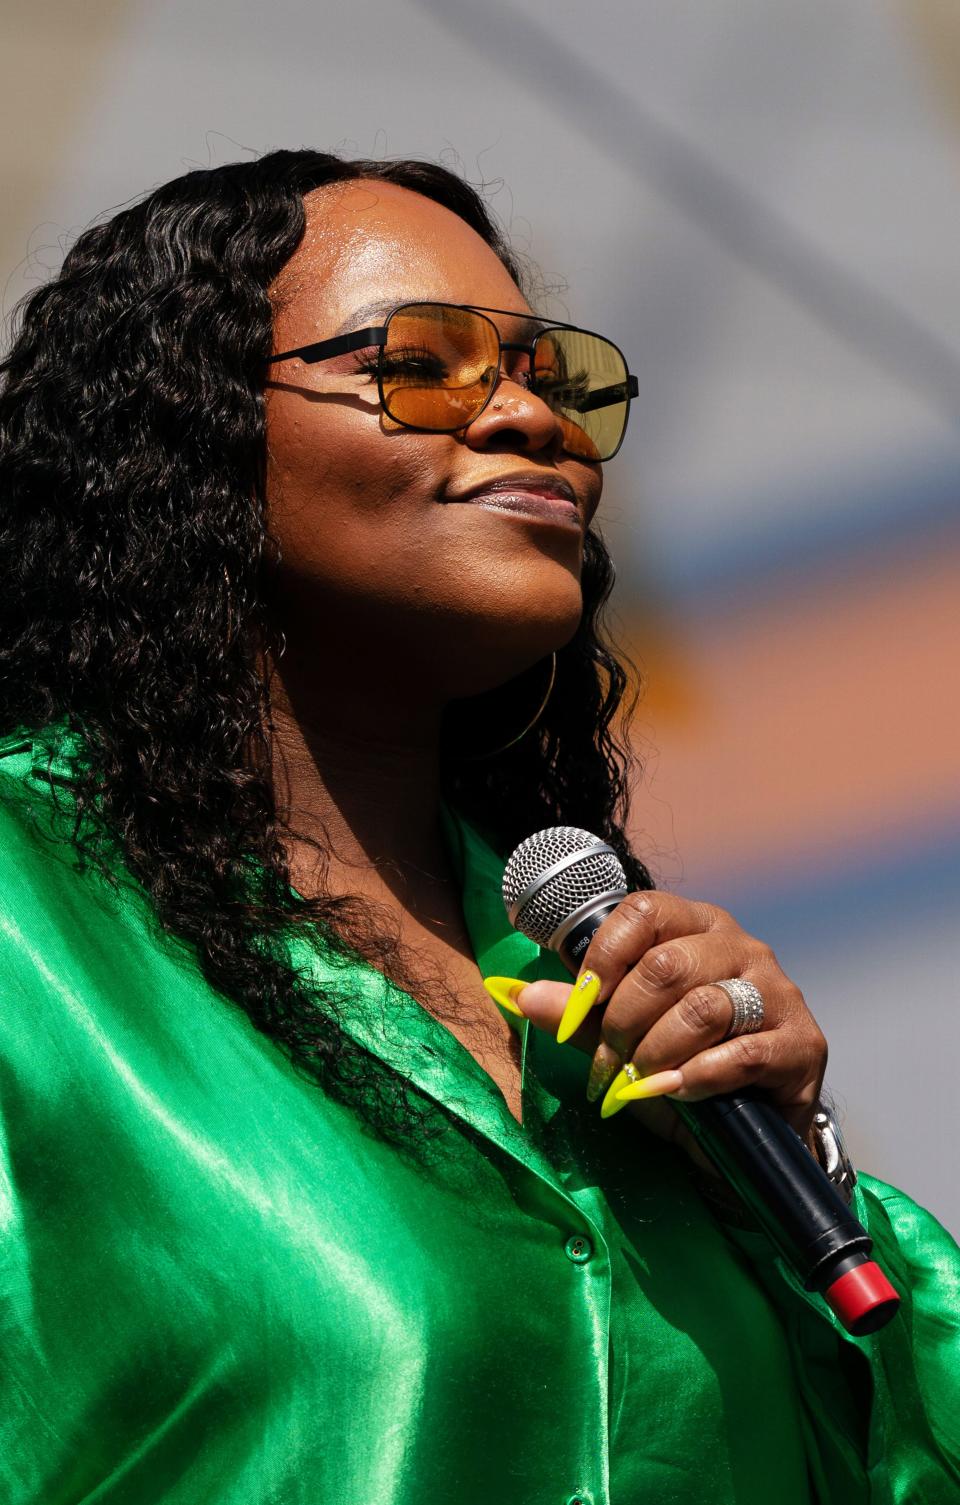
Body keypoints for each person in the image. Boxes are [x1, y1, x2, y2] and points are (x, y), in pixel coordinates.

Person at [0, 148, 956, 1505]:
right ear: (184, 428)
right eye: (427, 365)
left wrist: (799, 1163)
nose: (531, 418)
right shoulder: (29, 919)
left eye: (552, 380)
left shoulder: (588, 995)